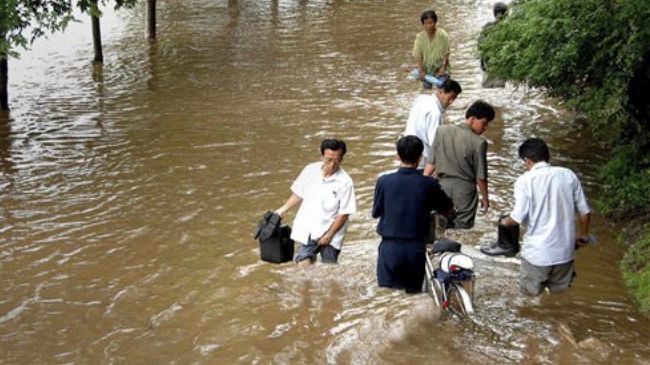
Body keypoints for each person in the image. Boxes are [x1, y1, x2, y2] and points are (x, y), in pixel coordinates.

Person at [493, 138, 591, 296]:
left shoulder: (524, 181)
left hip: (537, 255)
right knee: (559, 297)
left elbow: (517, 217)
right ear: (547, 156)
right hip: (564, 254)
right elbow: (584, 212)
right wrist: (583, 236)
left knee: (529, 299)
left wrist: (504, 222)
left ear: (527, 160)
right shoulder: (568, 175)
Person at [372, 136, 453, 293]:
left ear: (397, 156)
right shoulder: (429, 184)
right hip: (414, 248)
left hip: (389, 247)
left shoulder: (384, 181)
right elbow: (446, 208)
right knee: (413, 295)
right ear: (421, 157)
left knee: (387, 295)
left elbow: (376, 212)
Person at [275, 139, 357, 266]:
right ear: (321, 156)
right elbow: (298, 194)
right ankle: (309, 286)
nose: (332, 164)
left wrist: (329, 235)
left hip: (331, 232)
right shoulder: (310, 170)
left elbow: (344, 213)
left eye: (337, 160)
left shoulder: (345, 182)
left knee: (329, 269)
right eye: (329, 159)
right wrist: (282, 209)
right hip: (309, 228)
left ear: (342, 159)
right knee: (303, 265)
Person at [431, 100, 495, 229]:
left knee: (439, 226)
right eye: (484, 123)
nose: (485, 128)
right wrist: (485, 198)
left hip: (441, 188)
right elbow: (481, 176)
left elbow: (432, 163)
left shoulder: (442, 131)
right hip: (465, 192)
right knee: (462, 229)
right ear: (472, 119)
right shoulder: (479, 142)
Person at [404, 79, 462, 176]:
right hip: (422, 159)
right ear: (440, 92)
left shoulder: (422, 99)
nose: (451, 102)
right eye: (450, 97)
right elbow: (435, 144)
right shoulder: (435, 113)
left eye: (454, 99)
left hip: (406, 152)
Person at [412, 9, 451, 89]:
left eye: (431, 23)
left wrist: (443, 68)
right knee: (426, 91)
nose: (429, 26)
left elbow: (446, 54)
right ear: (423, 24)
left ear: (435, 22)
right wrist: (421, 70)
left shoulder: (442, 35)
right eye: (426, 23)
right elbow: (418, 56)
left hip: (441, 67)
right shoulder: (419, 37)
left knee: (442, 88)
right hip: (427, 69)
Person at [479, 2, 508, 88]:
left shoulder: (488, 26)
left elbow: (481, 45)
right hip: (499, 64)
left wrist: (482, 62)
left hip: (489, 64)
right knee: (499, 86)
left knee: (487, 86)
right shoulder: (507, 28)